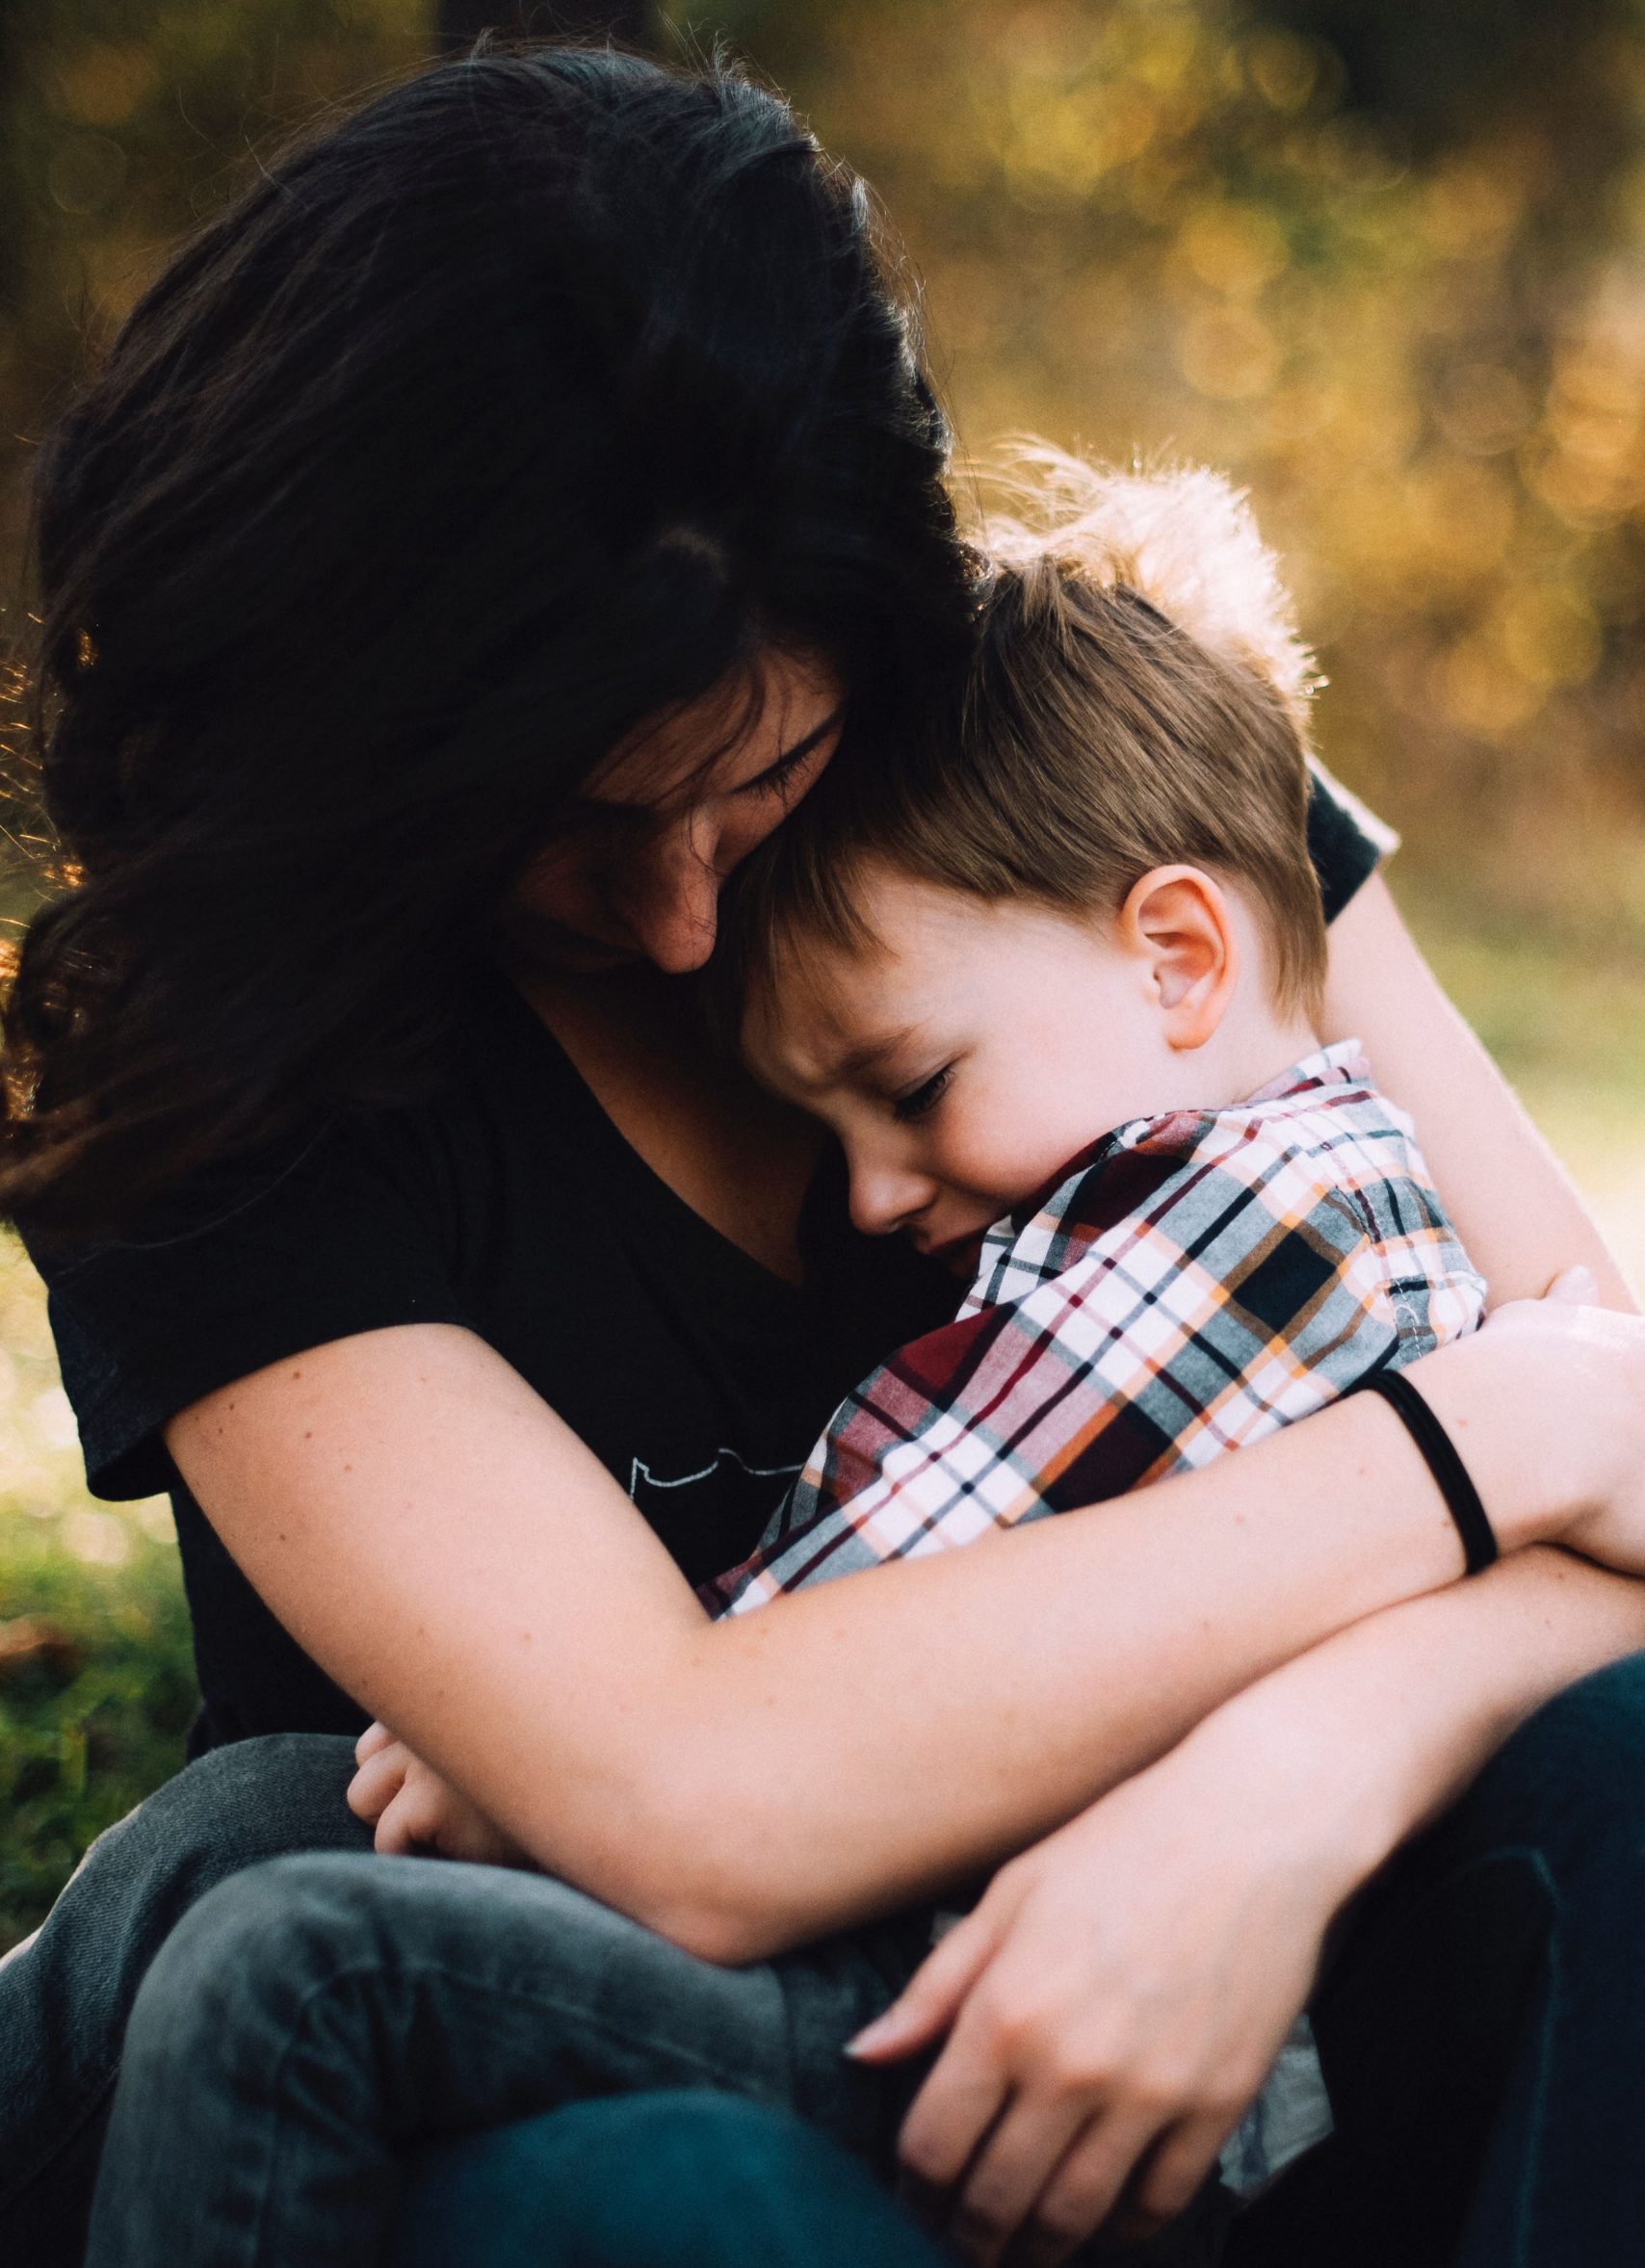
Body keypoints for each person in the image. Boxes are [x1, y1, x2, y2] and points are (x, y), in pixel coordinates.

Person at [4, 36, 1645, 2268]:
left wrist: (1276, 1795)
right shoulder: (203, 1051)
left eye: (759, 775)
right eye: (573, 819)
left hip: (1238, 1993)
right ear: (359, 741)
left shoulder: (1060, 781)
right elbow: (682, 1794)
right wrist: (1485, 1438)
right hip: (620, 2057)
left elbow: (1625, 1474)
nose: (686, 916)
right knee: (636, 2186)